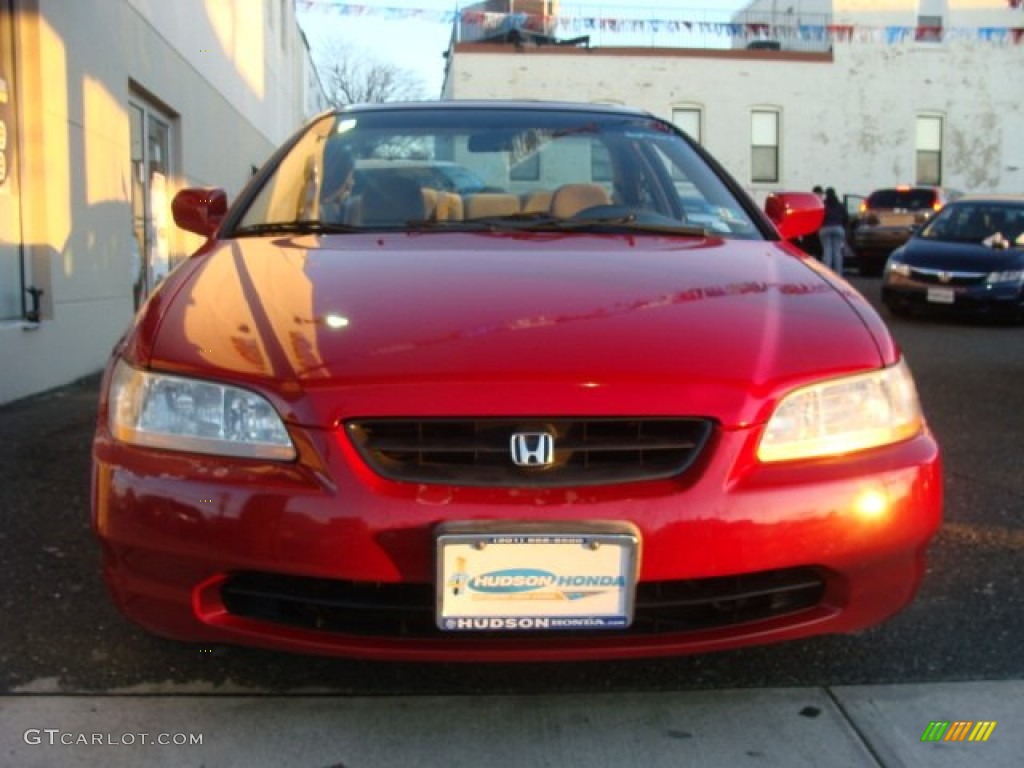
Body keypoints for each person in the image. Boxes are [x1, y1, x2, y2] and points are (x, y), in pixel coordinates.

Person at [819, 187, 849, 274]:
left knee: (827, 251)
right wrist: (844, 226)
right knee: (837, 251)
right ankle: (838, 273)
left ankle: (826, 273)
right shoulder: (840, 205)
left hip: (825, 228)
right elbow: (846, 217)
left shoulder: (823, 204)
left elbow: (820, 217)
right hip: (838, 228)